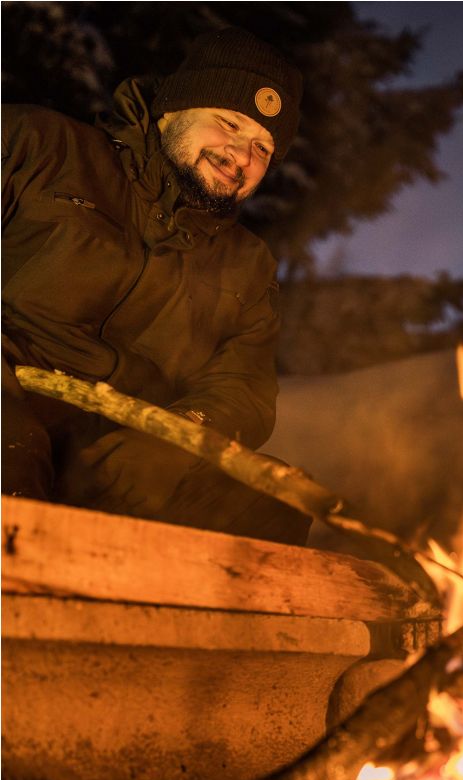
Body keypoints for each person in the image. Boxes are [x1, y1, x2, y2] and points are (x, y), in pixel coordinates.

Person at [2, 27, 312, 544]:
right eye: (229, 122)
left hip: (118, 443)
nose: (241, 155)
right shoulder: (40, 146)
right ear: (172, 110)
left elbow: (245, 387)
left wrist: (179, 440)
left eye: (263, 146)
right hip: (10, 394)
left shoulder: (248, 265)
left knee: (265, 507)